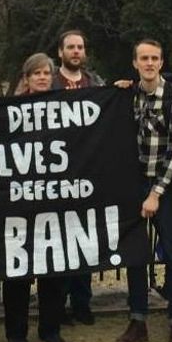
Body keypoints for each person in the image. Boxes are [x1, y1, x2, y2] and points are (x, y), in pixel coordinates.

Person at [114, 39, 172, 342]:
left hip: (166, 187)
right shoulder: (128, 96)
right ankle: (137, 320)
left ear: (162, 62)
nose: (149, 63)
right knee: (135, 254)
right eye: (143, 58)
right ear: (135, 63)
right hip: (133, 185)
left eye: (154, 58)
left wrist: (156, 193)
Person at [1, 53, 66, 342]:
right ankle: (16, 331)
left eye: (46, 73)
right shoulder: (9, 109)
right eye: (36, 73)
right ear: (26, 78)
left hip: (54, 198)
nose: (42, 77)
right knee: (17, 269)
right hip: (19, 201)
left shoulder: (66, 107)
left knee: (54, 266)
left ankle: (50, 328)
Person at [53, 30, 105, 326]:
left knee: (85, 239)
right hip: (57, 175)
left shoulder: (95, 83)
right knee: (59, 241)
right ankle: (57, 305)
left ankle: (82, 303)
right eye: (70, 47)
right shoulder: (49, 82)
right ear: (60, 52)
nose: (76, 51)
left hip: (88, 173)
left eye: (80, 47)